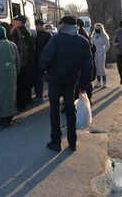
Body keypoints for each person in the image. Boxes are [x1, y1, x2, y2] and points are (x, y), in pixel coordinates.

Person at [40, 16, 92, 152]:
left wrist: (44, 70)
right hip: (71, 82)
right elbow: (88, 67)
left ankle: (56, 142)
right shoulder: (83, 42)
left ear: (64, 25)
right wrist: (83, 84)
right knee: (70, 110)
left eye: (60, 23)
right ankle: (72, 142)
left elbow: (45, 58)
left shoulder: (56, 39)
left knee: (54, 111)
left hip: (54, 81)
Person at [11, 15, 35, 110]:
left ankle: (20, 105)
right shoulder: (29, 32)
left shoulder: (17, 32)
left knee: (20, 85)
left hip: (21, 63)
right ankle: (27, 100)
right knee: (25, 84)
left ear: (20, 22)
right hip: (27, 62)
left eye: (15, 21)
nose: (13, 22)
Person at [76, 18, 95, 101]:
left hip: (82, 61)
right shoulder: (84, 33)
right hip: (85, 60)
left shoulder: (81, 34)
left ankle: (86, 99)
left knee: (84, 81)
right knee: (86, 80)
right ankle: (87, 99)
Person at [34, 19, 52, 101]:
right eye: (40, 25)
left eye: (42, 25)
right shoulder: (34, 34)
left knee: (46, 77)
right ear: (37, 25)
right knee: (39, 78)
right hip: (37, 59)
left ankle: (49, 93)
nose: (42, 26)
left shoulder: (47, 35)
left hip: (44, 59)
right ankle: (39, 94)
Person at [91, 23, 110, 88]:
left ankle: (104, 82)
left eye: (98, 28)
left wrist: (103, 51)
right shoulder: (93, 35)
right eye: (96, 28)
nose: (97, 29)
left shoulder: (104, 35)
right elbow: (91, 43)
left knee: (101, 67)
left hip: (101, 52)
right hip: (95, 53)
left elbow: (108, 45)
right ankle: (98, 82)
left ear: (101, 29)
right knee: (96, 67)